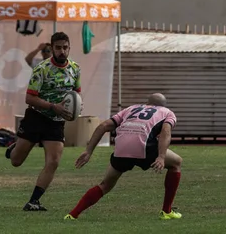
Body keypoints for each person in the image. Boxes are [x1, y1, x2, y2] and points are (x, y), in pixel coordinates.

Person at [64, 93, 183, 221]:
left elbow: (103, 126)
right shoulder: (167, 112)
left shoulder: (131, 109)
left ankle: (73, 214)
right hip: (145, 148)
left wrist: (88, 151)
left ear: (147, 103)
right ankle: (166, 211)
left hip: (121, 149)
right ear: (163, 105)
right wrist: (161, 156)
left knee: (105, 185)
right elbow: (166, 131)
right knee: (176, 163)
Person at [5, 32, 80, 211]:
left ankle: (33, 201)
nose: (62, 51)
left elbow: (77, 93)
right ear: (52, 49)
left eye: (65, 47)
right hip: (36, 117)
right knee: (16, 161)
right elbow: (30, 98)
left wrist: (77, 106)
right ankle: (14, 149)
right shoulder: (42, 68)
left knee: (53, 161)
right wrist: (53, 106)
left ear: (69, 47)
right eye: (58, 48)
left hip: (56, 121)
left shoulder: (75, 68)